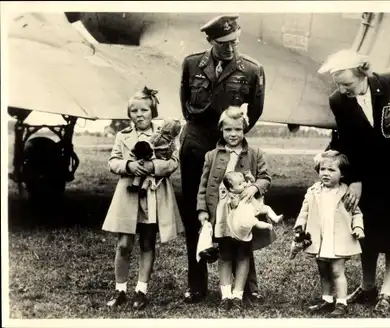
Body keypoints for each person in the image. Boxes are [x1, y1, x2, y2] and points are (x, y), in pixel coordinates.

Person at [317, 49, 390, 315]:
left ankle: (387, 291)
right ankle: (368, 285)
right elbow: (347, 140)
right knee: (366, 229)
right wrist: (355, 179)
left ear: (363, 73)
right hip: (369, 169)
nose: (344, 90)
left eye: (348, 84)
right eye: (339, 85)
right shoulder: (338, 100)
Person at [179, 13, 266, 304]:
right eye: (223, 43)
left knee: (242, 214)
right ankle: (197, 284)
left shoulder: (252, 70)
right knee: (198, 213)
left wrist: (232, 139)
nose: (230, 48)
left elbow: (254, 110)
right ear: (210, 40)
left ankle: (248, 285)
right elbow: (186, 105)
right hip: (197, 143)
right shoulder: (193, 64)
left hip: (233, 144)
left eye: (234, 41)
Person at [102, 87, 184, 310]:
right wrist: (128, 166)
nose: (139, 114)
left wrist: (152, 166)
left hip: (152, 195)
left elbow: (173, 162)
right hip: (128, 194)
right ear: (129, 114)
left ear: (153, 112)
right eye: (134, 111)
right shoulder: (123, 136)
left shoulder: (163, 136)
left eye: (144, 110)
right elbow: (113, 162)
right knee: (124, 243)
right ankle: (120, 290)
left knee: (147, 242)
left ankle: (141, 290)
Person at [196, 107, 275, 310]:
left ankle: (240, 295)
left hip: (245, 216)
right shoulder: (211, 156)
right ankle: (226, 295)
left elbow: (266, 178)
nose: (233, 134)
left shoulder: (256, 154)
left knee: (243, 254)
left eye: (238, 129)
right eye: (228, 129)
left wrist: (256, 187)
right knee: (224, 254)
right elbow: (204, 186)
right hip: (221, 215)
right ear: (221, 130)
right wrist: (203, 210)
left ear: (245, 130)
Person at [293, 150, 364, 317]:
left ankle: (341, 302)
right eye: (322, 169)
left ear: (342, 174)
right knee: (323, 271)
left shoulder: (346, 192)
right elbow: (305, 211)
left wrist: (358, 227)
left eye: (332, 170)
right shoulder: (313, 191)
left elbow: (357, 212)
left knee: (337, 271)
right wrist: (299, 226)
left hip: (337, 239)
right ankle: (327, 299)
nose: (325, 173)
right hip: (320, 239)